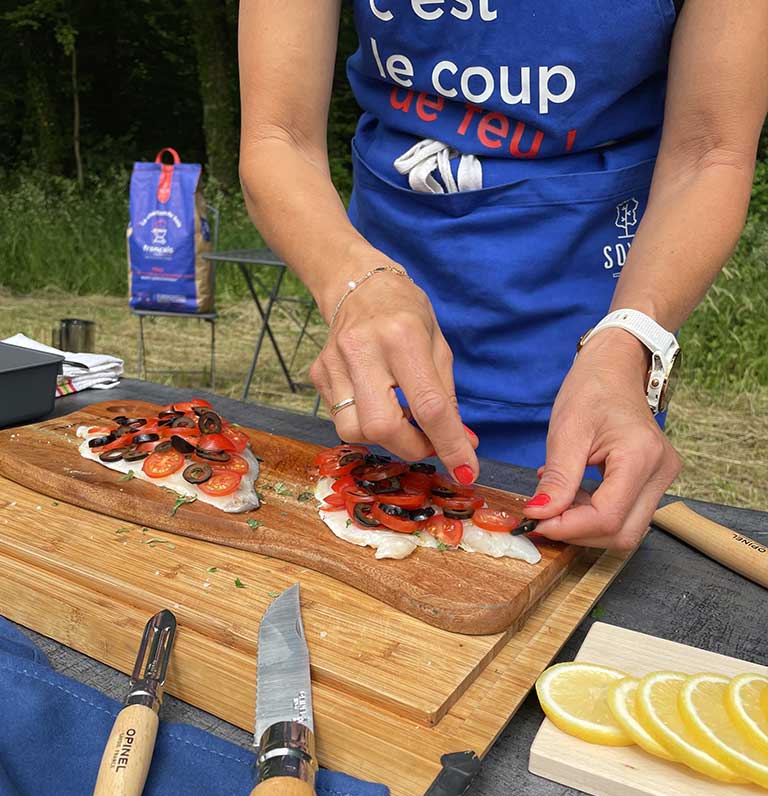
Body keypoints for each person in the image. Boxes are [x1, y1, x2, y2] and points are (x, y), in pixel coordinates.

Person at [238, 0, 767, 548]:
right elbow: (278, 137)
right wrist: (352, 281)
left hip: (594, 324)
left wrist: (633, 335)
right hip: (382, 328)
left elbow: (710, 154)